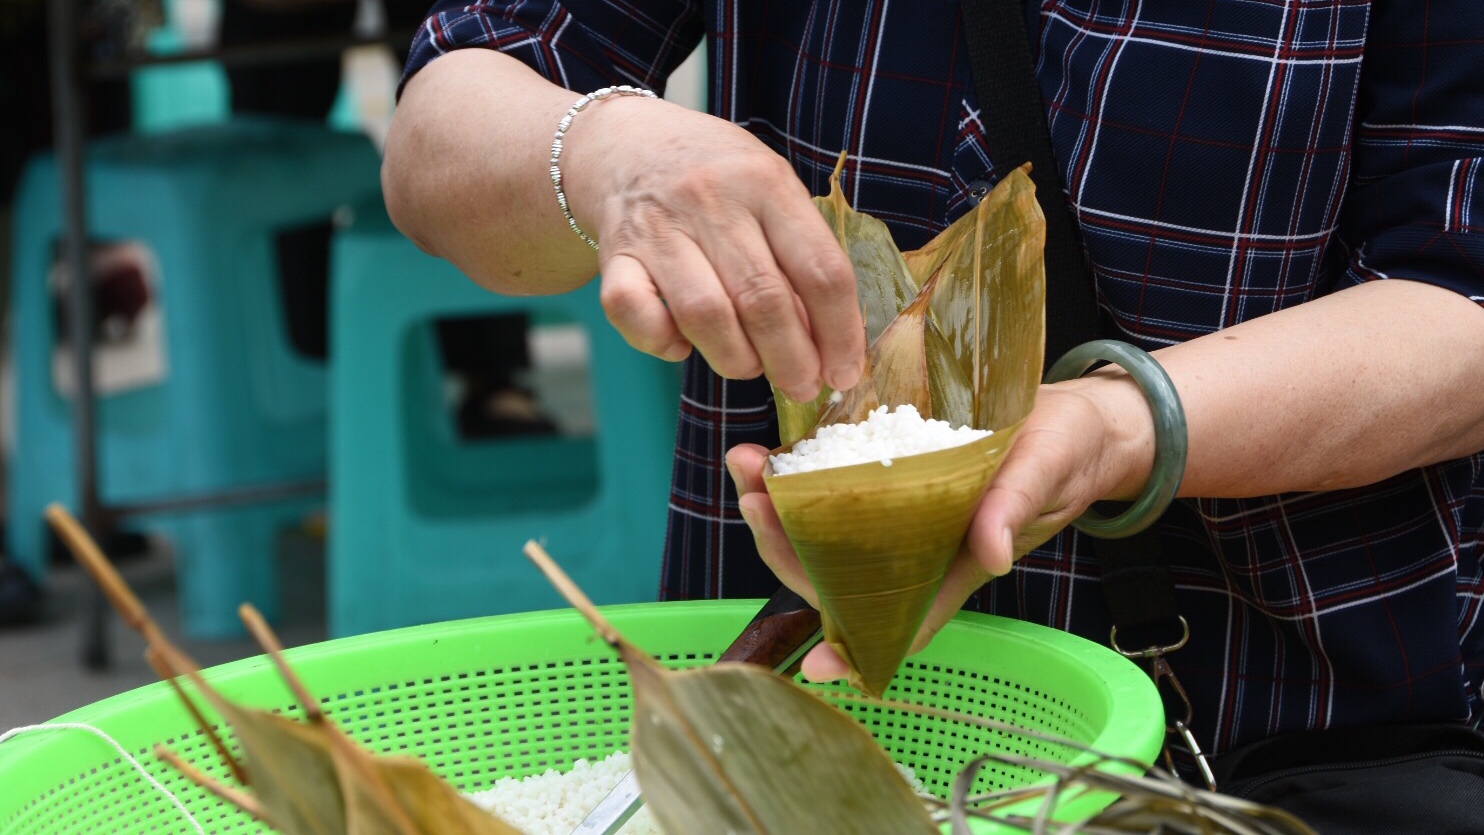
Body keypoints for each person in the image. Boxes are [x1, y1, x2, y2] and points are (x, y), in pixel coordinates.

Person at [381, 0, 1484, 791]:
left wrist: (1113, 425)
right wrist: (605, 155)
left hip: (1260, 723)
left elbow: (1454, 299)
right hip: (803, 748)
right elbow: (439, 133)